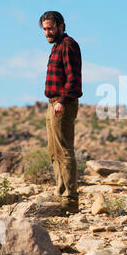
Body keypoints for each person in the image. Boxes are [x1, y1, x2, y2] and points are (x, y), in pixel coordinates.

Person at [39, 11, 82, 213]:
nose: (48, 32)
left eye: (51, 28)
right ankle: (60, 193)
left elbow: (73, 78)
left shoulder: (68, 45)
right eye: (45, 29)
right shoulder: (56, 47)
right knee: (53, 152)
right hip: (53, 103)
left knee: (64, 151)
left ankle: (70, 201)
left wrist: (63, 101)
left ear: (61, 26)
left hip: (62, 103)